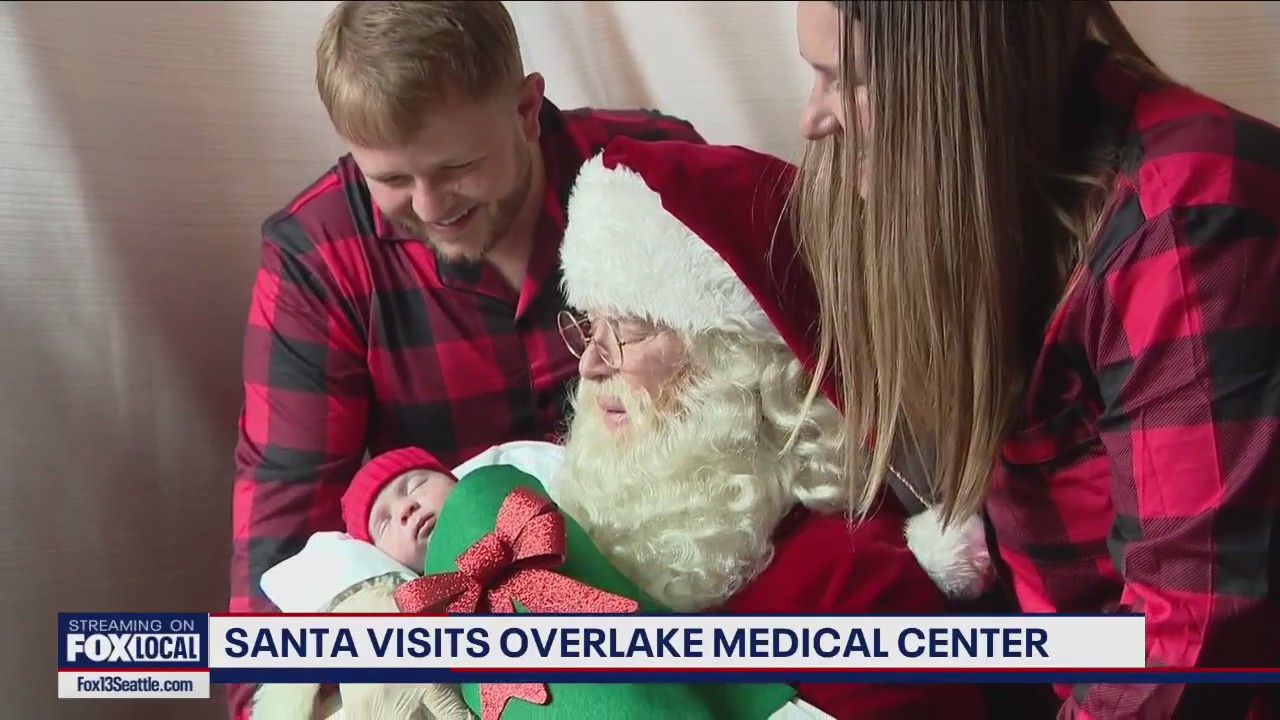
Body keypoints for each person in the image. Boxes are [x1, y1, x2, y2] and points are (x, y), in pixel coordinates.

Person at [791, 2, 1280, 718]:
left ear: (959, 82)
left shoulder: (1184, 218)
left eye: (849, 80)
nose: (814, 119)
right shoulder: (997, 187)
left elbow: (1193, 638)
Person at [227, 1, 705, 717]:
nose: (429, 206)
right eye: (390, 179)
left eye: (458, 166)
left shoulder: (652, 167)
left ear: (525, 108)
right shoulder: (318, 259)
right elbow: (277, 552)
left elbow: (780, 389)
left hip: (691, 593)